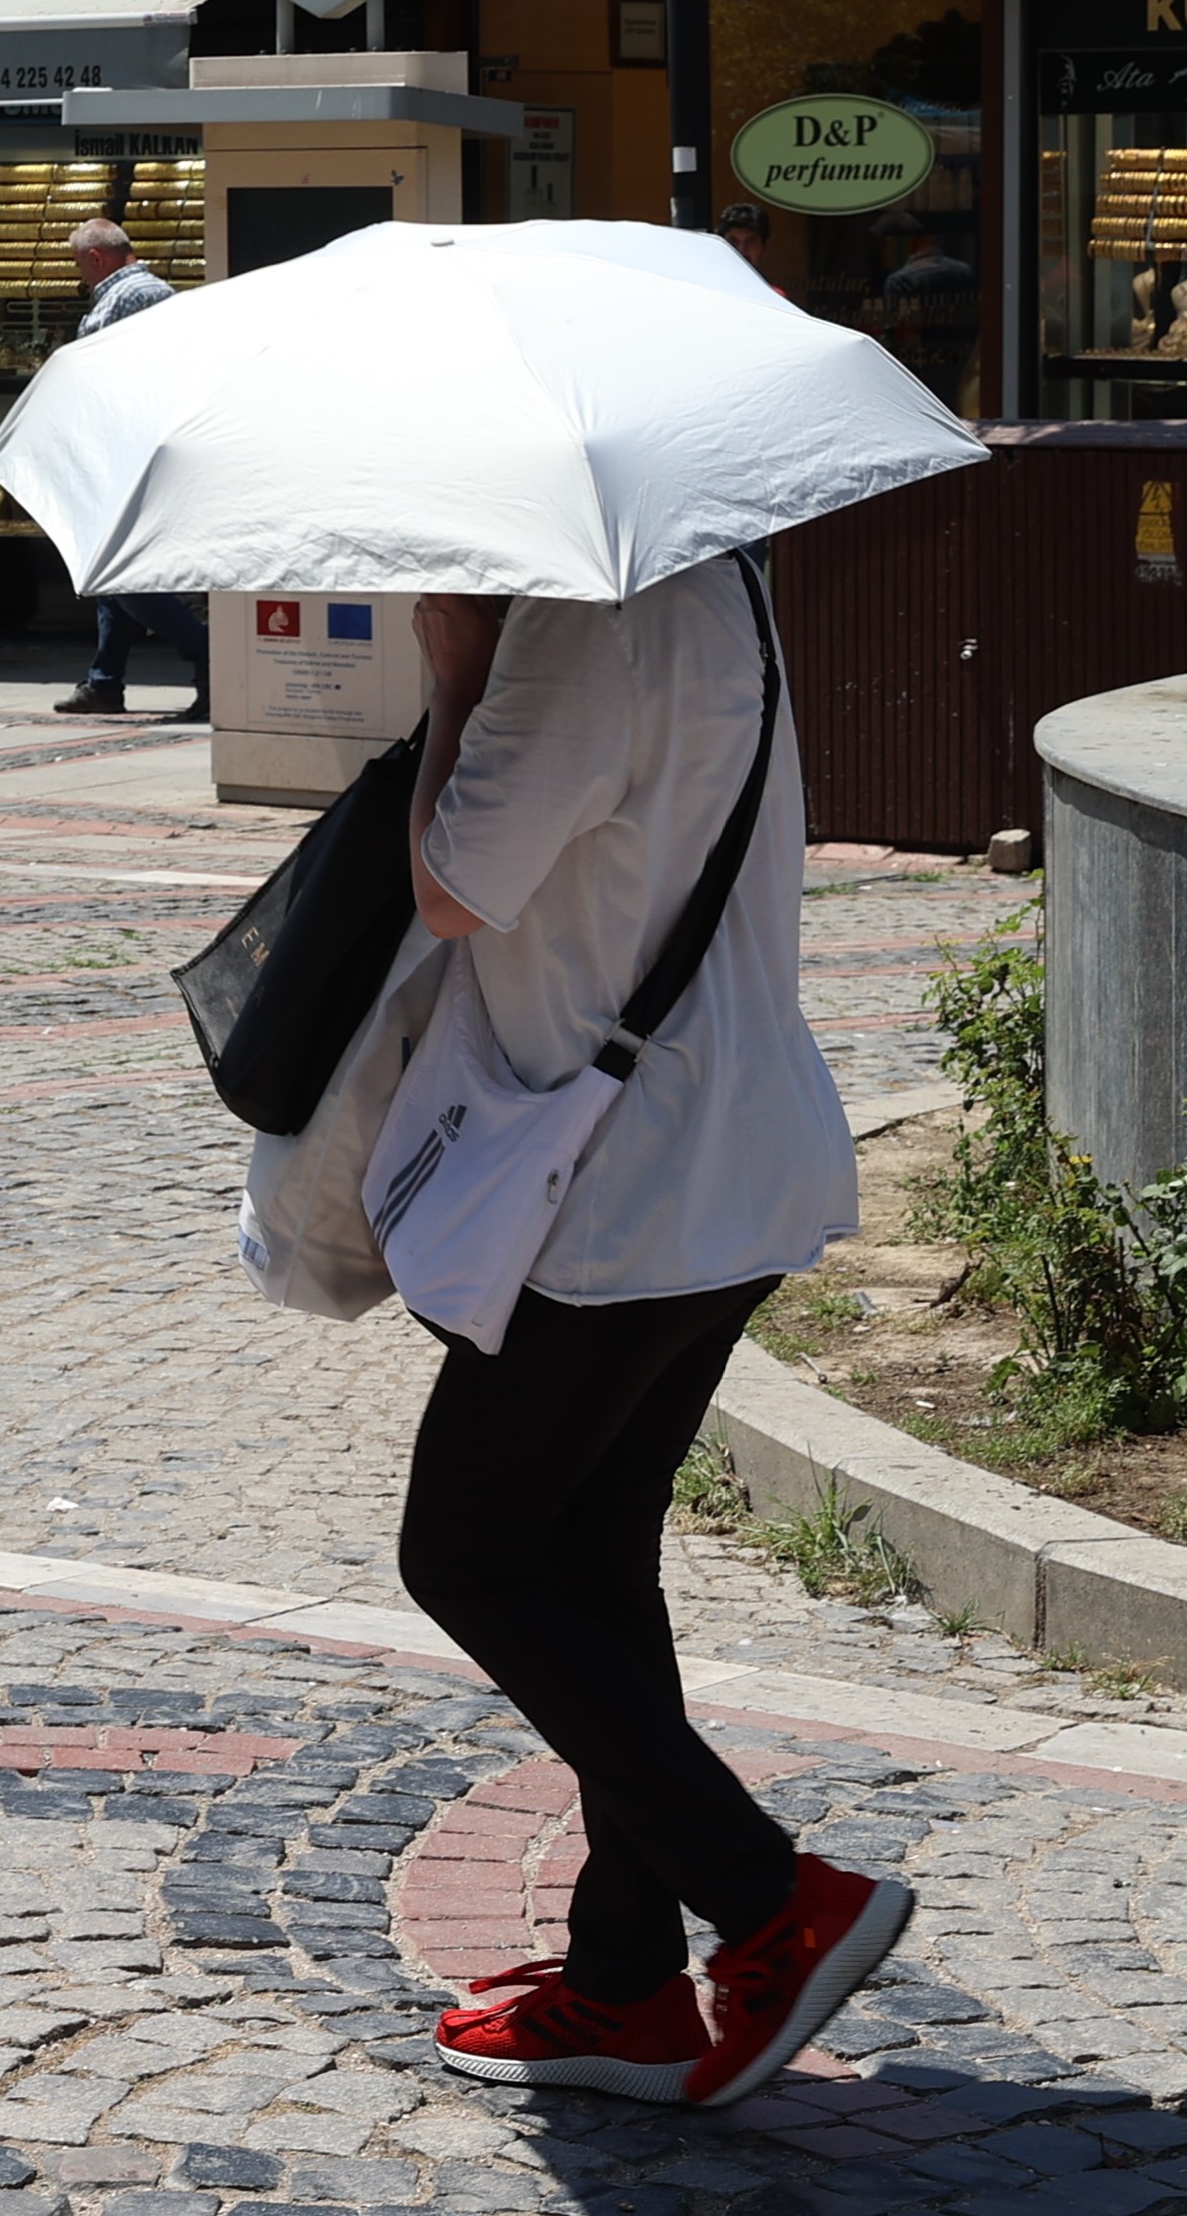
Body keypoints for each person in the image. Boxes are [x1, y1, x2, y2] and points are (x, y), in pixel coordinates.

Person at [393, 560, 905, 2109]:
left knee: (467, 1550)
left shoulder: (571, 626)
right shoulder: (724, 577)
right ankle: (625, 1983)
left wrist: (457, 675)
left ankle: (773, 1903)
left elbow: (452, 886)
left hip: (618, 1188)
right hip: (731, 1152)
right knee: (593, 1563)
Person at [49, 220, 201, 719]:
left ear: (95, 258)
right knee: (111, 565)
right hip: (128, 447)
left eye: (79, 266)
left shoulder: (130, 297)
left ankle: (206, 656)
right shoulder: (143, 292)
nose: (81, 277)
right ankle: (105, 680)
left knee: (117, 574)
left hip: (128, 449)